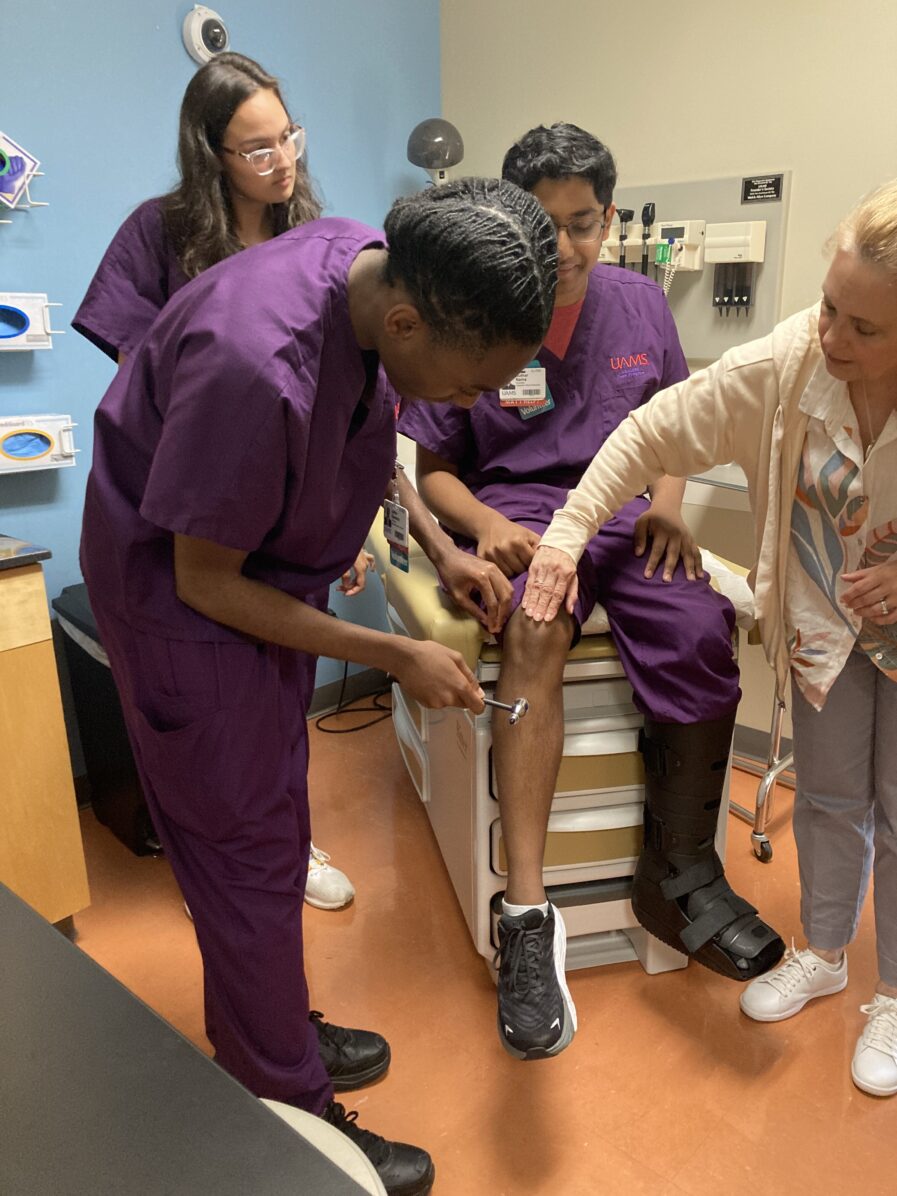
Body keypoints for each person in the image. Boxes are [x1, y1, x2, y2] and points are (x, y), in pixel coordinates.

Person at [80, 177, 557, 1191]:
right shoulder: (256, 365)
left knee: (276, 818)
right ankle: (290, 1120)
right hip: (184, 608)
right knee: (247, 856)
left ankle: (277, 1022)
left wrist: (434, 542)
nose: (470, 404)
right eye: (472, 383)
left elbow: (371, 423)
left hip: (256, 576)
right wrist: (393, 652)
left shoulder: (369, 257)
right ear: (405, 320)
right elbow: (203, 577)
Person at [399, 123, 784, 1062]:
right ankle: (526, 909)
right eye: (546, 223)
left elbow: (673, 430)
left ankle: (679, 871)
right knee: (533, 628)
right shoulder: (487, 302)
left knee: (700, 618)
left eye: (583, 224)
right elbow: (433, 465)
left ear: (609, 220)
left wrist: (666, 508)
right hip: (522, 515)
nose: (566, 247)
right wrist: (482, 526)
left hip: (620, 513)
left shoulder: (640, 303)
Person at [524, 180, 897, 1098]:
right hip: (824, 625)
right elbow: (644, 434)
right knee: (830, 796)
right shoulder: (788, 365)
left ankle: (895, 995)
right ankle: (823, 952)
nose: (833, 339)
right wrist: (566, 536)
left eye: (864, 329)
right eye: (828, 308)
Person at [71, 53, 362, 912]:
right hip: (189, 512)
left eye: (289, 139)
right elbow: (138, 387)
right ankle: (221, 859)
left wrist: (346, 525)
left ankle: (290, 847)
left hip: (289, 516)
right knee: (209, 712)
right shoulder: (158, 235)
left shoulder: (312, 237)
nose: (283, 163)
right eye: (257, 149)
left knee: (285, 698)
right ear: (210, 155)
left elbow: (346, 400)